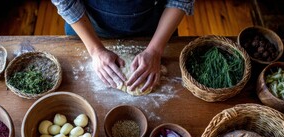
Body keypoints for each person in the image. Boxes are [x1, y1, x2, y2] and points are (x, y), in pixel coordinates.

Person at [51, 0, 194, 92]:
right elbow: (65, 2)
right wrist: (95, 50)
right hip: (88, 26)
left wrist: (155, 49)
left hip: (155, 27)